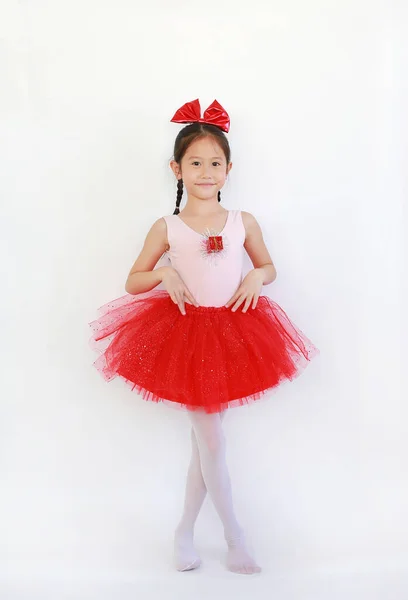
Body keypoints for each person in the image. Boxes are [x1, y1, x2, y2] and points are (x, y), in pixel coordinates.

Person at [89, 98, 319, 575]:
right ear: (177, 168)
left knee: (204, 445)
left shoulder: (242, 221)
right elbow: (134, 279)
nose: (206, 171)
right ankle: (235, 537)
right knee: (212, 442)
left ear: (229, 169)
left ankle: (184, 534)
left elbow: (267, 265)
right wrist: (164, 277)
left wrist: (258, 277)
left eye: (215, 163)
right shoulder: (167, 226)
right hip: (185, 337)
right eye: (195, 163)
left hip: (234, 333)